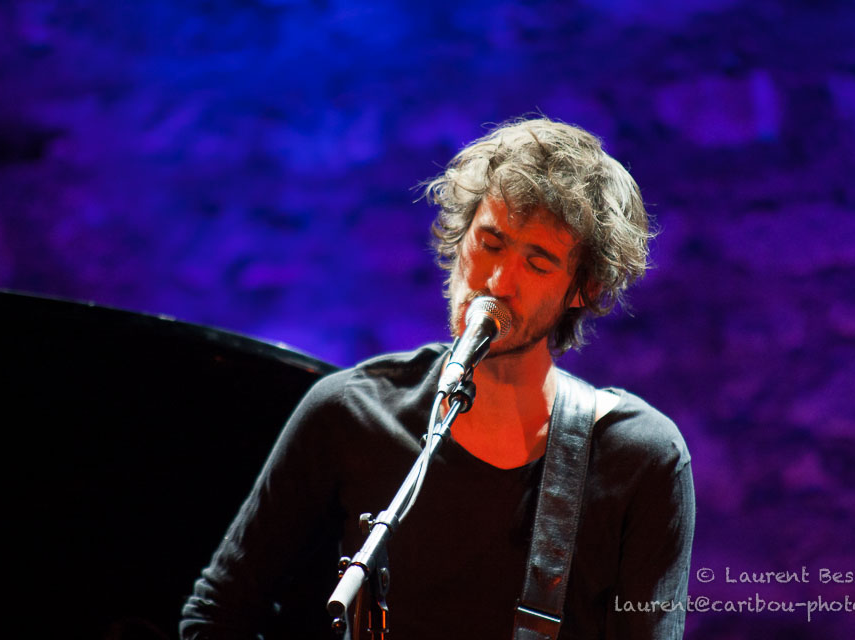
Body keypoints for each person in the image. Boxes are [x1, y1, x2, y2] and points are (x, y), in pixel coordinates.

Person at [180, 117, 694, 640]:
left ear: (583, 288)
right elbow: (216, 613)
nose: (498, 282)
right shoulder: (349, 412)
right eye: (490, 243)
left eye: (537, 264)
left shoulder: (640, 460)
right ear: (462, 235)